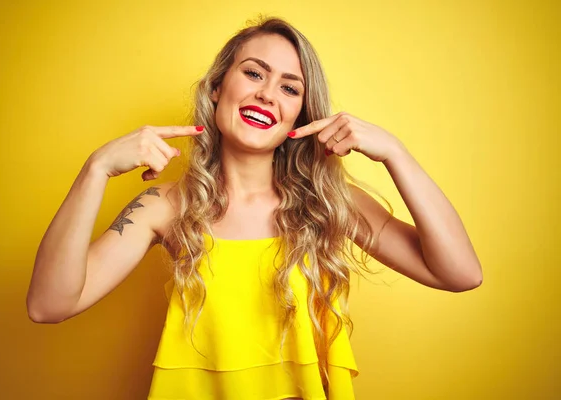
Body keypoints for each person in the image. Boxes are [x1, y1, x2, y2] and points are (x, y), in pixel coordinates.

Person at [27, 17, 482, 400]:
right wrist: (96, 169)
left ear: (300, 116)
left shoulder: (329, 203)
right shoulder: (164, 205)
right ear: (218, 86)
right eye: (253, 73)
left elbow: (460, 274)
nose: (268, 94)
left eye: (290, 87)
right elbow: (48, 305)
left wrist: (396, 153)